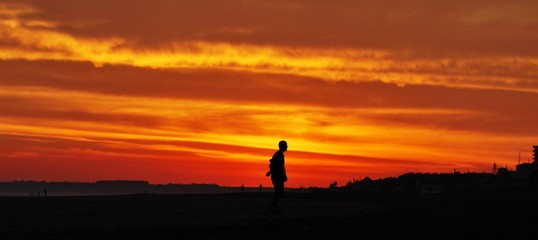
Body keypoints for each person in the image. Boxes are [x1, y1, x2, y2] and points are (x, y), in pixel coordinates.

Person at [265, 140, 288, 214]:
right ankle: (273, 208)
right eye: (286, 146)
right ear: (283, 146)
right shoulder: (279, 155)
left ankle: (274, 208)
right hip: (277, 176)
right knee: (279, 192)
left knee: (279, 192)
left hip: (278, 175)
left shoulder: (279, 154)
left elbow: (277, 165)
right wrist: (271, 172)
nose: (287, 147)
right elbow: (275, 166)